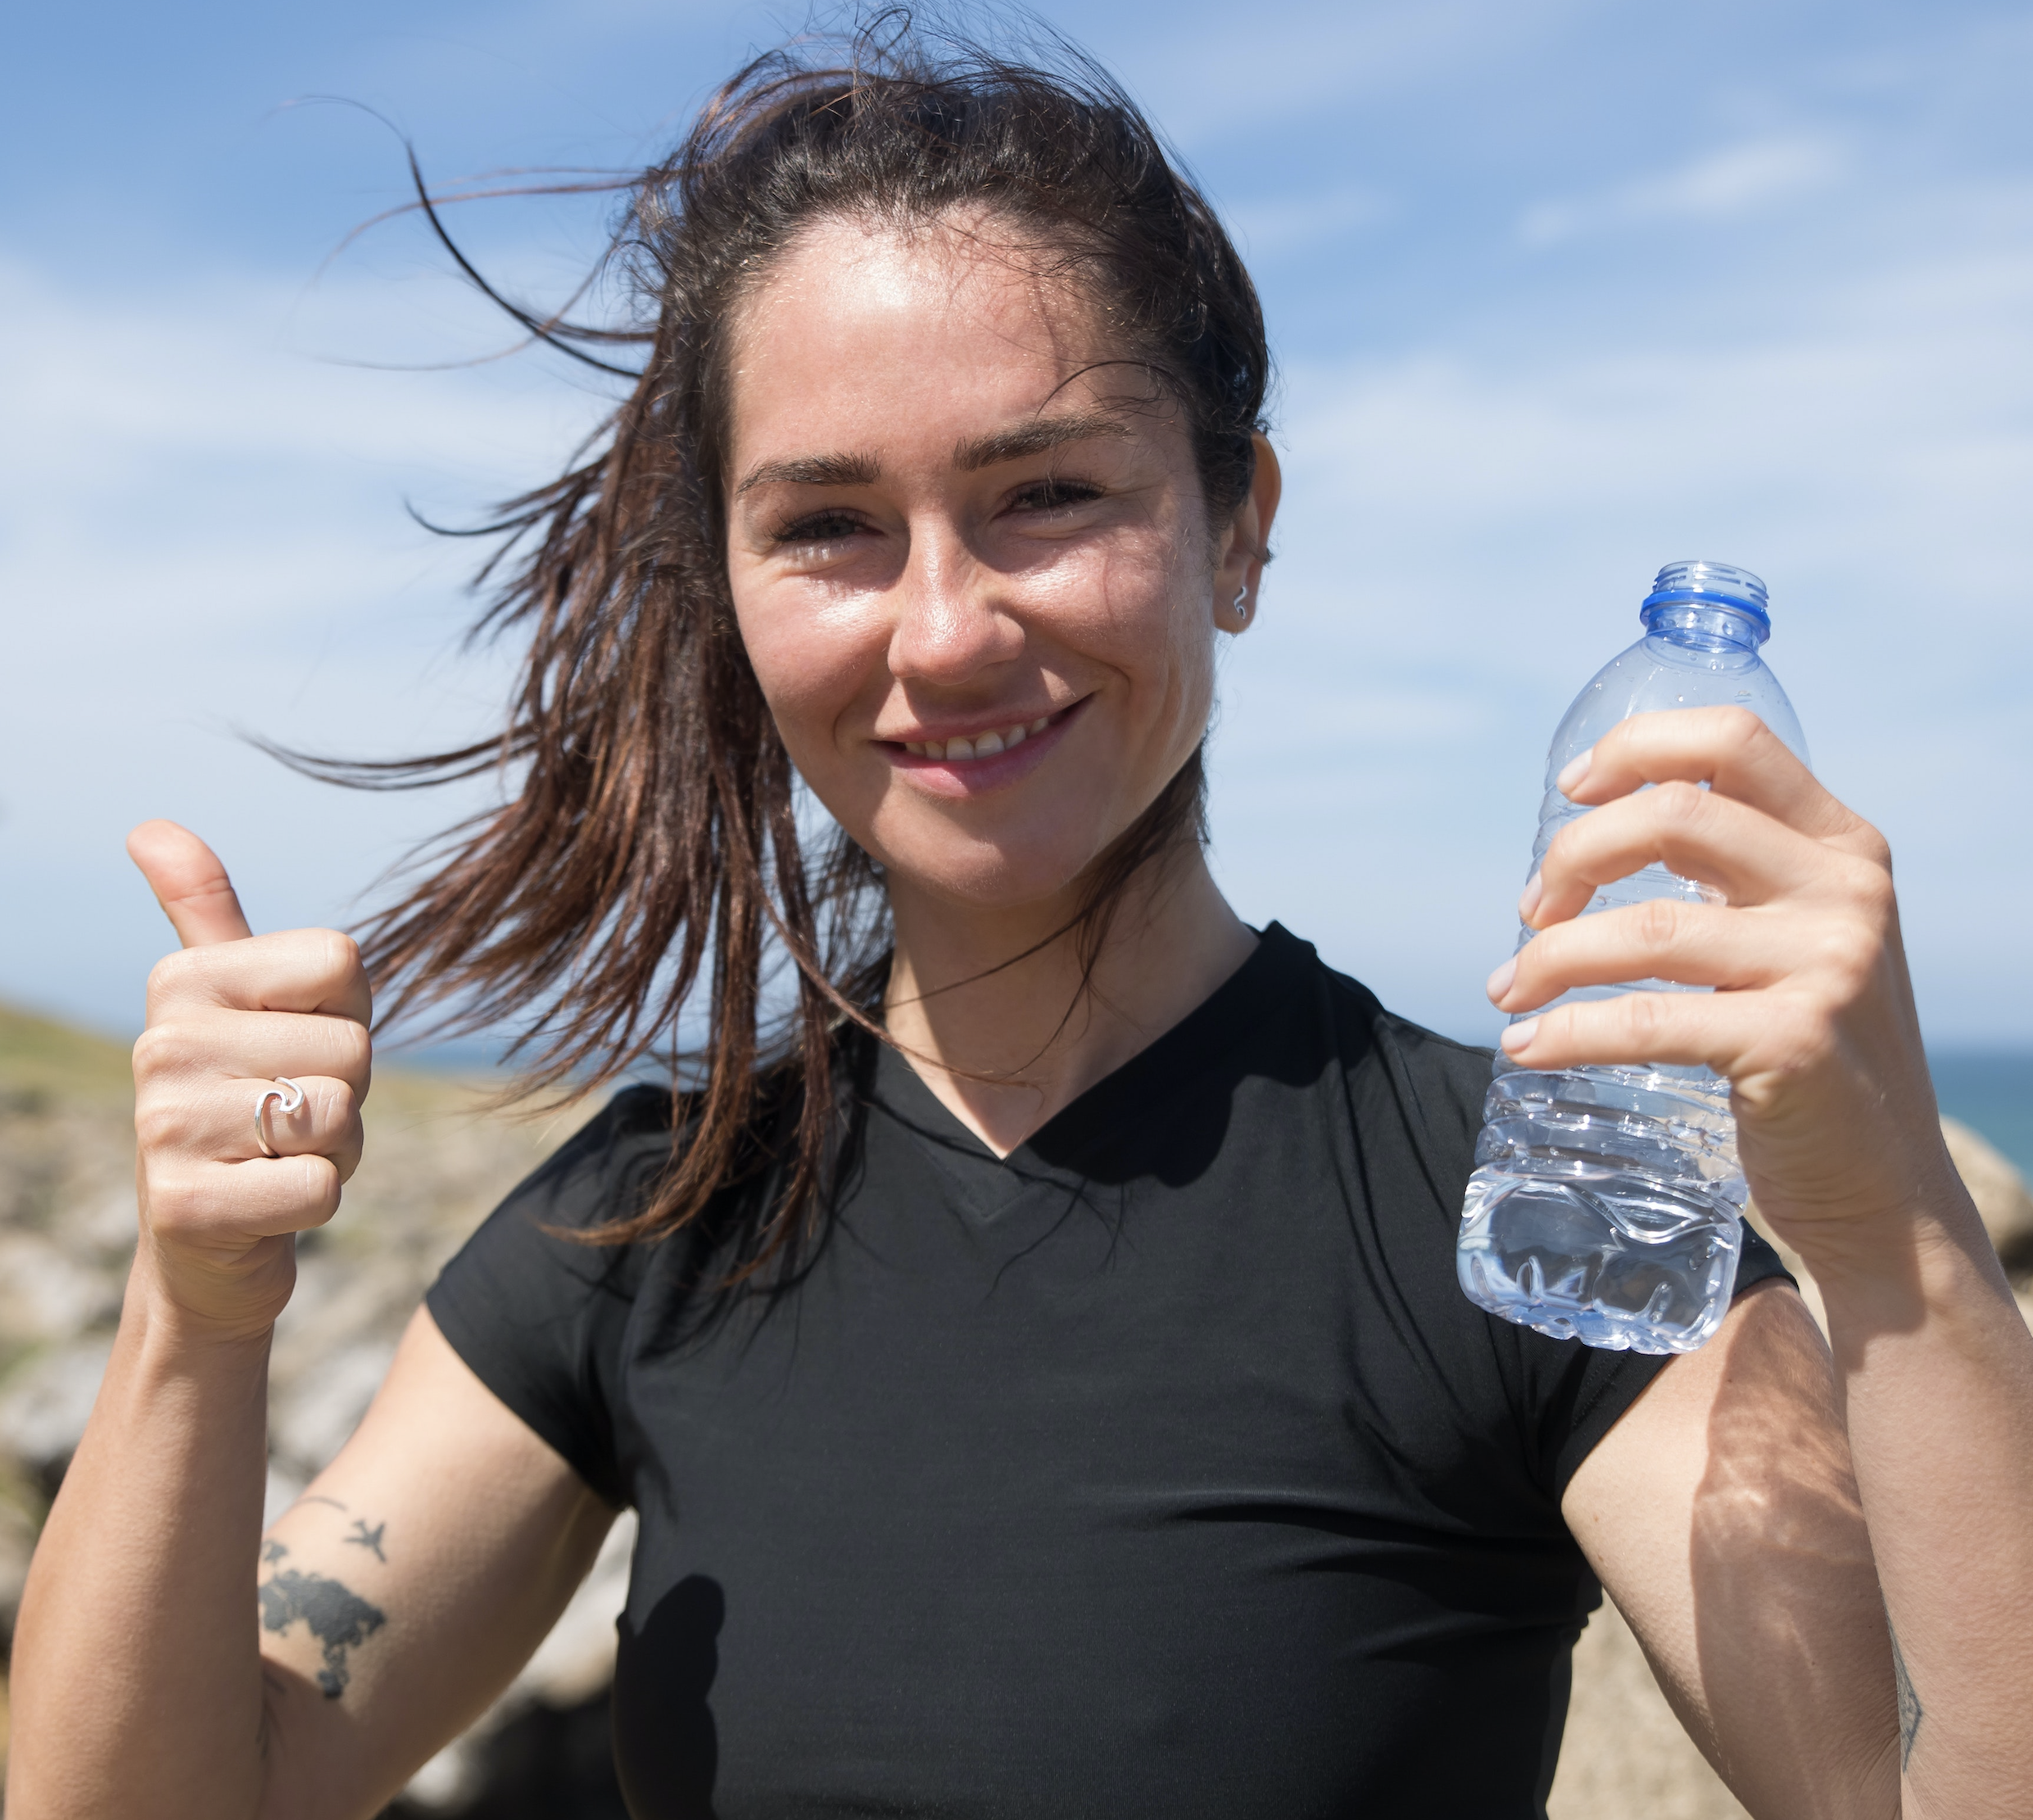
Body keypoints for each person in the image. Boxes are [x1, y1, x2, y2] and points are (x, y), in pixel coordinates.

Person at [11, 27, 2032, 1820]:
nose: (945, 628)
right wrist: (197, 1315)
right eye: (825, 526)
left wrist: (1894, 1243)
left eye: (1046, 492)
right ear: (726, 588)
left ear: (1236, 522)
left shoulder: (1513, 1219)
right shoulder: (649, 1221)